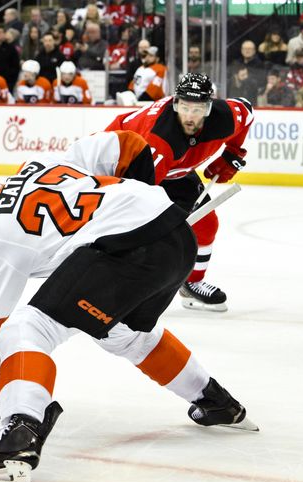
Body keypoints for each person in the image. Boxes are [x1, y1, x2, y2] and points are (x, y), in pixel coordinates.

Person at [0, 135, 256, 482]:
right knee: (125, 336)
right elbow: (129, 145)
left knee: (25, 329)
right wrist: (139, 200)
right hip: (176, 237)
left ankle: (17, 439)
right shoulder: (43, 167)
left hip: (124, 249)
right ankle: (216, 401)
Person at [106, 73, 254, 312]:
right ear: (175, 103)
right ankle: (110, 280)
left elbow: (247, 111)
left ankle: (192, 284)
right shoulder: (160, 141)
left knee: (206, 223)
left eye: (197, 109)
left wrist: (233, 154)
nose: (189, 116)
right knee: (132, 227)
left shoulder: (225, 117)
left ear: (209, 108)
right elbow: (135, 196)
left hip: (173, 170)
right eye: (184, 107)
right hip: (120, 164)